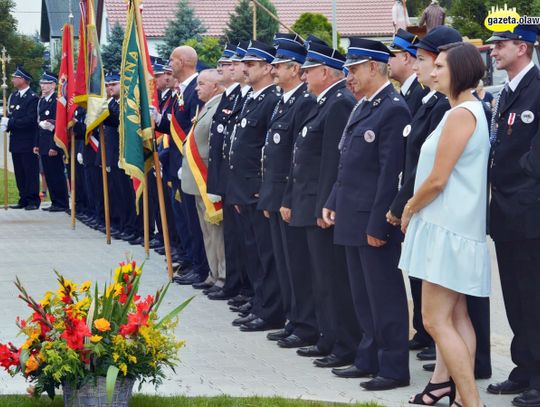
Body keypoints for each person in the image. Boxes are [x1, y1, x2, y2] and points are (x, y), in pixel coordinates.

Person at [398, 42, 489, 407]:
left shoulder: (461, 114)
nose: (432, 72)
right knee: (456, 315)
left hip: (446, 229)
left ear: (461, 71)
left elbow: (438, 179)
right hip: (454, 228)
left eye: (440, 66)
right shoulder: (467, 111)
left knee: (434, 321)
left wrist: (408, 208)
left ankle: (470, 401)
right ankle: (465, 400)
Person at [323, 38, 411, 391]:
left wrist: (380, 224)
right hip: (350, 213)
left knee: (384, 295)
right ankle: (368, 357)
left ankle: (393, 367)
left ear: (374, 67)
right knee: (362, 294)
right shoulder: (362, 107)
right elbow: (347, 161)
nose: (349, 76)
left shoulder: (393, 108)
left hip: (372, 220)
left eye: (354, 69)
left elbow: (391, 174)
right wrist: (331, 199)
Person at [282, 36, 362, 369]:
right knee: (320, 278)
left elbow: (332, 161)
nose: (303, 76)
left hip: (321, 208)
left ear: (326, 73)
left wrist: (321, 208)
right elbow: (303, 156)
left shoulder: (339, 102)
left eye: (309, 70)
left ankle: (344, 343)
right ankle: (329, 337)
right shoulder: (321, 102)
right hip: (309, 203)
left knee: (331, 280)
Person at [486, 25, 540, 407]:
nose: (493, 51)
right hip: (506, 212)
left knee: (534, 298)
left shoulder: (538, 88)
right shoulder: (507, 92)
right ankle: (523, 368)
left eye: (500, 45)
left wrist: (518, 179)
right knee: (516, 299)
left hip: (530, 211)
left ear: (522, 47)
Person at [259, 33, 319, 349]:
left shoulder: (304, 102)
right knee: (285, 264)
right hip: (277, 195)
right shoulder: (284, 101)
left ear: (295, 69)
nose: (273, 70)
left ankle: (306, 324)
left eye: (279, 65)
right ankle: (293, 318)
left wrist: (287, 198)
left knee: (298, 265)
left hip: (291, 198)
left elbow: (299, 158)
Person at [227, 40, 285, 332]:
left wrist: (261, 188)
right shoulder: (251, 98)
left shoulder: (271, 99)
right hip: (244, 189)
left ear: (267, 67)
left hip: (257, 189)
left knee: (265, 254)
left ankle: (270, 310)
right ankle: (260, 301)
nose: (245, 69)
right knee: (253, 252)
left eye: (251, 64)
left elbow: (267, 151)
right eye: (245, 64)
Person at [206, 42, 253, 302]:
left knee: (245, 243)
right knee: (234, 239)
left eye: (234, 63)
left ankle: (244, 288)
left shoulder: (244, 96)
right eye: (227, 64)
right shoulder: (231, 95)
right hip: (228, 179)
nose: (229, 68)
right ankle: (236, 285)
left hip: (243, 183)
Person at [181, 69, 226, 292]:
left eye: (202, 84)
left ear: (215, 87)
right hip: (198, 181)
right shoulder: (206, 107)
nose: (197, 88)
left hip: (207, 178)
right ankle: (213, 272)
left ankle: (223, 275)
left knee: (216, 232)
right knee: (207, 232)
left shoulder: (218, 107)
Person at [167, 45, 209, 286]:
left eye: (172, 59)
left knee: (193, 220)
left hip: (190, 165)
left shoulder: (195, 90)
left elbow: (194, 131)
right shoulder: (181, 90)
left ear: (182, 62)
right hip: (176, 164)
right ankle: (190, 260)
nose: (169, 64)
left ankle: (199, 266)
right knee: (183, 219)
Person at [1, 66, 40, 210]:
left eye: (15, 78)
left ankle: (33, 200)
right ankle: (23, 198)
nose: (12, 80)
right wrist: (6, 123)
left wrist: (10, 122)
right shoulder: (13, 96)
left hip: (28, 141)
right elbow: (10, 115)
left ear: (23, 80)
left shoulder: (33, 98)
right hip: (16, 141)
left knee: (30, 171)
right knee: (19, 172)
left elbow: (30, 120)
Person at [34, 71, 69, 212]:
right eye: (42, 83)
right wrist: (36, 144)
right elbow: (38, 124)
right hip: (43, 143)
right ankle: (55, 201)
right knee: (48, 174)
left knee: (57, 174)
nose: (43, 86)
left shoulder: (56, 101)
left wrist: (55, 146)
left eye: (46, 83)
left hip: (52, 143)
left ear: (54, 85)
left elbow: (59, 126)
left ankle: (62, 202)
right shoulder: (42, 100)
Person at [388, 29, 429, 117]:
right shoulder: (411, 89)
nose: (387, 62)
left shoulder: (421, 91)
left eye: (390, 56)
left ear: (406, 58)